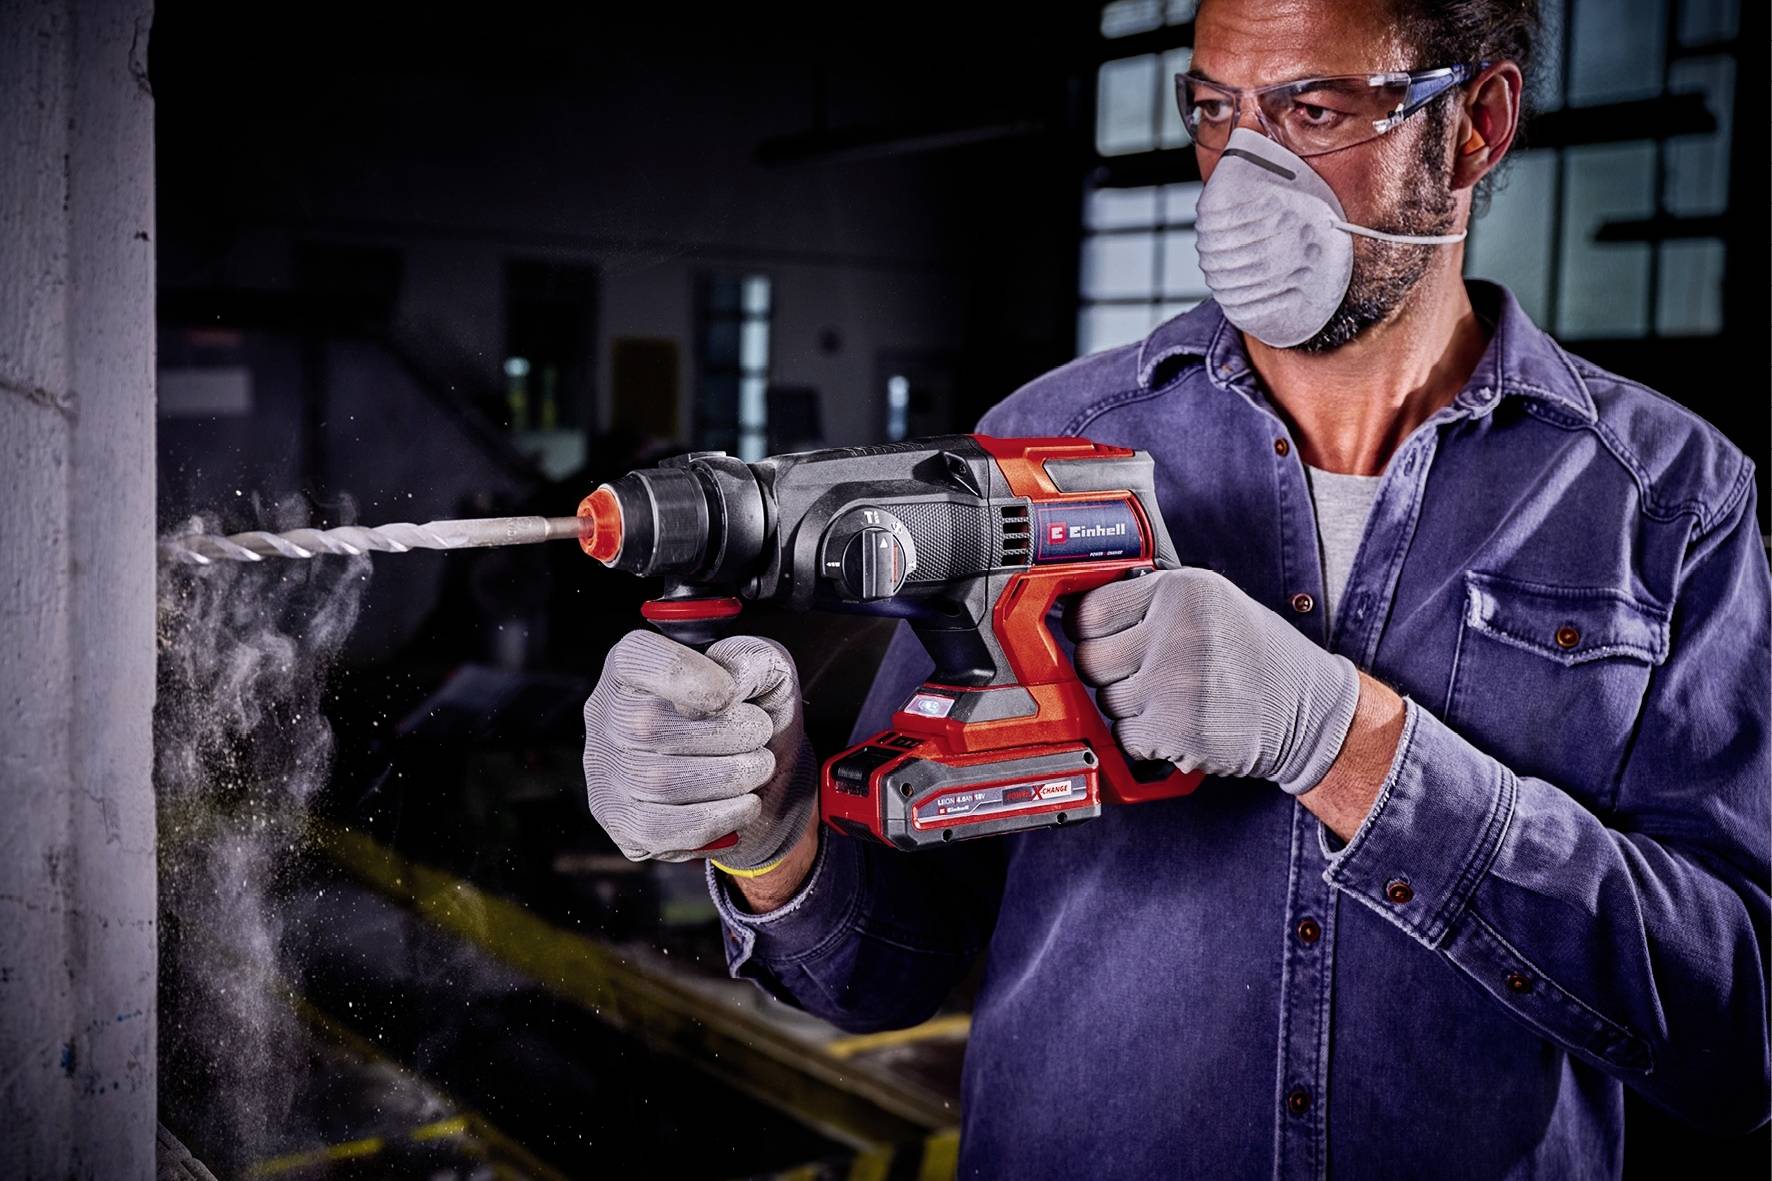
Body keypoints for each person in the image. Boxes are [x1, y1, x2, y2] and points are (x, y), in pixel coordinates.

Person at [580, 0, 1771, 1175]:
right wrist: (772, 829)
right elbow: (883, 968)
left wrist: (1343, 740)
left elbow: (1738, 1028)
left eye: (1309, 109)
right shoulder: (1045, 441)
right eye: (1214, 110)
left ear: (1474, 123)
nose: (1240, 177)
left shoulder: (1664, 499)